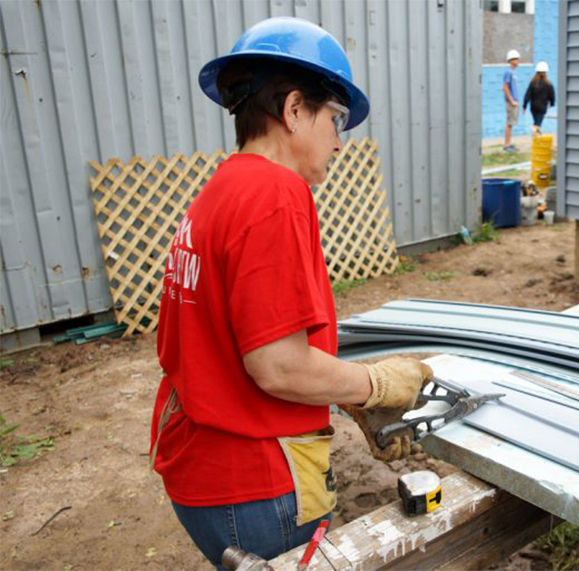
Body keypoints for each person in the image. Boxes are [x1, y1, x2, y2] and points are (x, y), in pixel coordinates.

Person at [149, 17, 433, 569]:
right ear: (295, 109)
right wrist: (376, 384)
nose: (339, 140)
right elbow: (277, 367)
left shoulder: (224, 187)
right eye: (336, 118)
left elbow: (226, 343)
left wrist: (349, 399)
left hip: (202, 468)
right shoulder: (276, 193)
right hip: (255, 480)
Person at [523, 61, 556, 136]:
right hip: (542, 107)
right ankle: (536, 135)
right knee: (538, 123)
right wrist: (552, 103)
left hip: (533, 107)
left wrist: (524, 105)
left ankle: (537, 135)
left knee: (537, 122)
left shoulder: (533, 83)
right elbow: (552, 95)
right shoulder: (548, 84)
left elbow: (527, 94)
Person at [502, 49, 521, 152]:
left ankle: (508, 143)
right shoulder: (508, 72)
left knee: (511, 123)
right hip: (511, 102)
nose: (518, 61)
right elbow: (505, 87)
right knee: (509, 123)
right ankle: (506, 145)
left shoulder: (512, 72)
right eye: (516, 59)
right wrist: (512, 101)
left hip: (514, 102)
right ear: (511, 60)